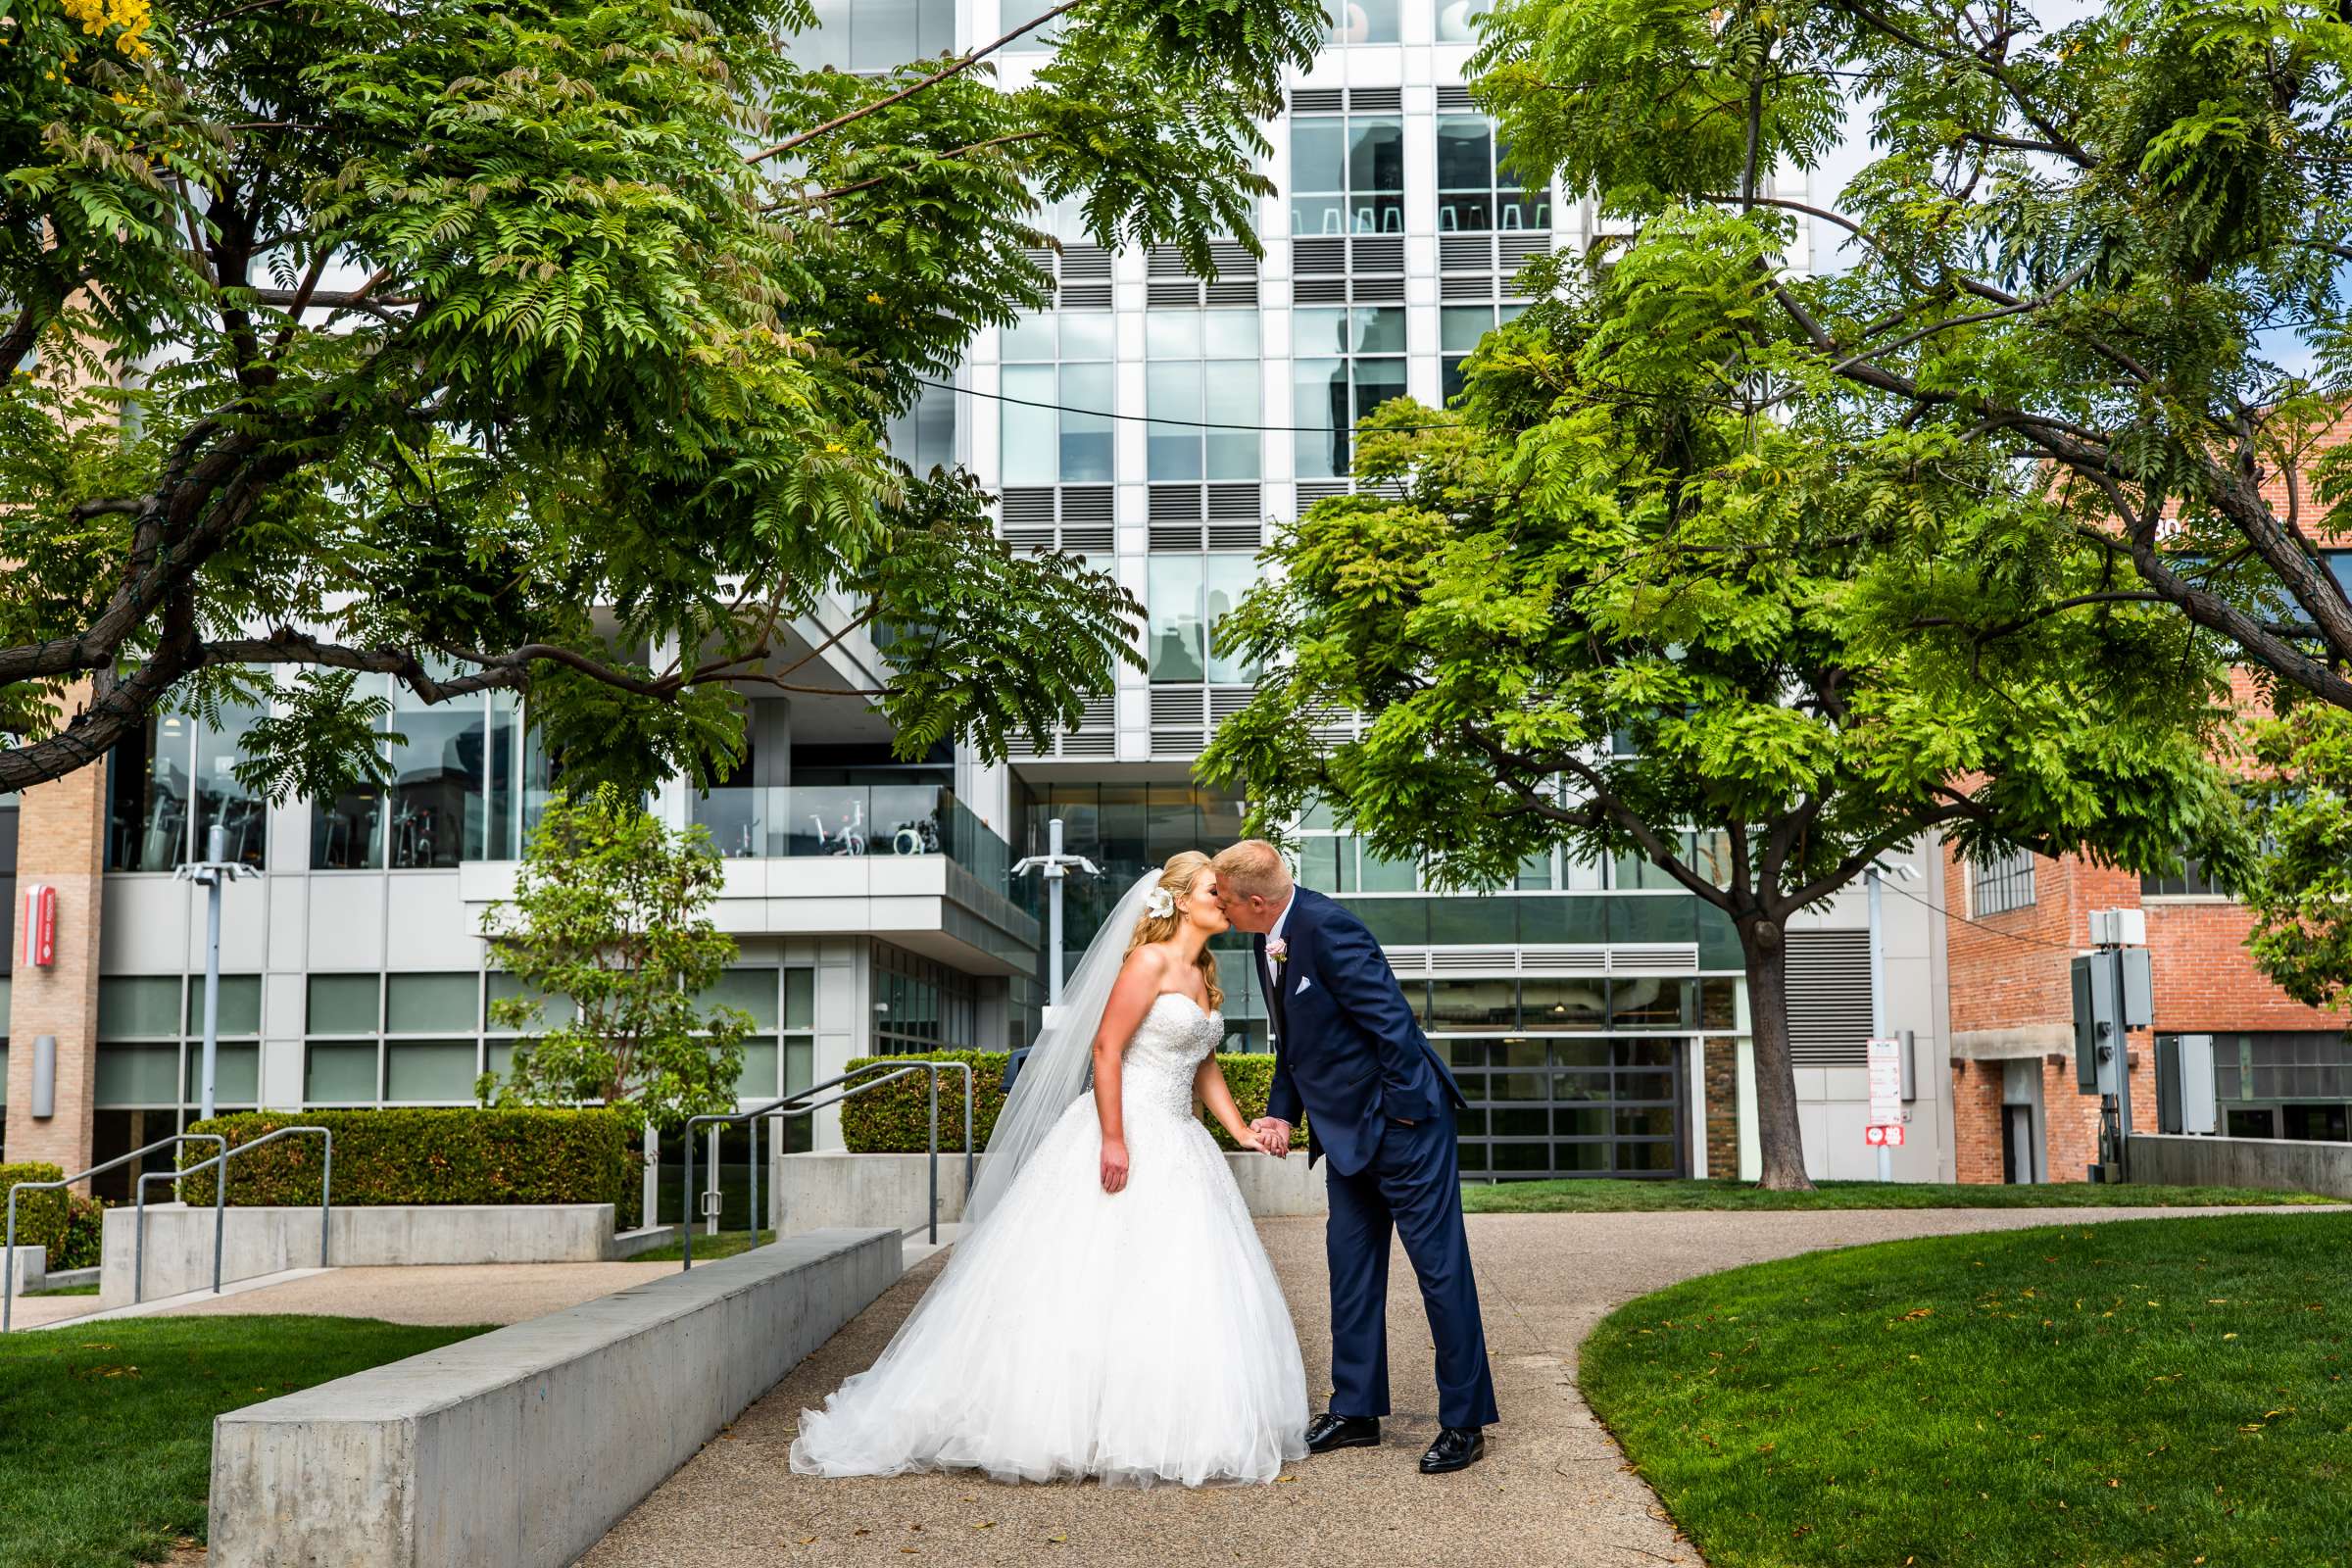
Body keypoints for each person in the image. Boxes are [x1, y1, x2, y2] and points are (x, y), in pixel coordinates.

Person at [789, 851, 1309, 1487]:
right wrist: (1114, 1140)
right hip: (1124, 1131)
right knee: (1085, 1274)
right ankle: (1053, 1421)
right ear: (1178, 899)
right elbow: (1105, 1050)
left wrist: (1240, 1132)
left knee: (1170, 1280)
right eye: (1212, 890)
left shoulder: (1202, 969)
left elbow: (1201, 1064)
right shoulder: (1145, 963)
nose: (1223, 899)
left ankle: (1150, 1420)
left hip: (1180, 1138)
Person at [1211, 838, 1499, 1475]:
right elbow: (1294, 1040)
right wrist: (1283, 1111)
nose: (1223, 914)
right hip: (1343, 1138)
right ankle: (1357, 1410)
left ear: (1256, 901)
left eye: (1227, 904)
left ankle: (1465, 1421)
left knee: (1441, 1273)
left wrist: (1398, 1116)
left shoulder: (1330, 928)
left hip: (1405, 1129)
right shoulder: (1270, 938)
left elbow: (1392, 1027)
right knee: (1351, 1269)